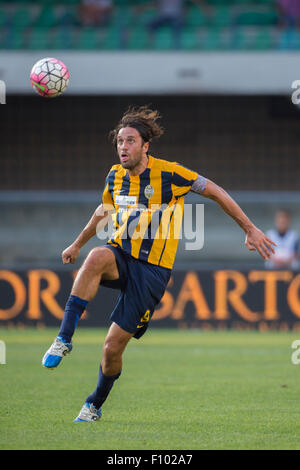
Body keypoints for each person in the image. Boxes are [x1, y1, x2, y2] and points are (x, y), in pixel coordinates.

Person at [42, 105, 276, 423]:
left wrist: (249, 228)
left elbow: (216, 191)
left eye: (130, 141)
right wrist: (77, 243)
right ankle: (64, 338)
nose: (123, 147)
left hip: (152, 273)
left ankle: (94, 403)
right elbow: (103, 211)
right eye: (120, 141)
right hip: (121, 255)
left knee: (111, 349)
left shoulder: (170, 173)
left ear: (145, 145)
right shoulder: (115, 175)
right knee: (96, 256)